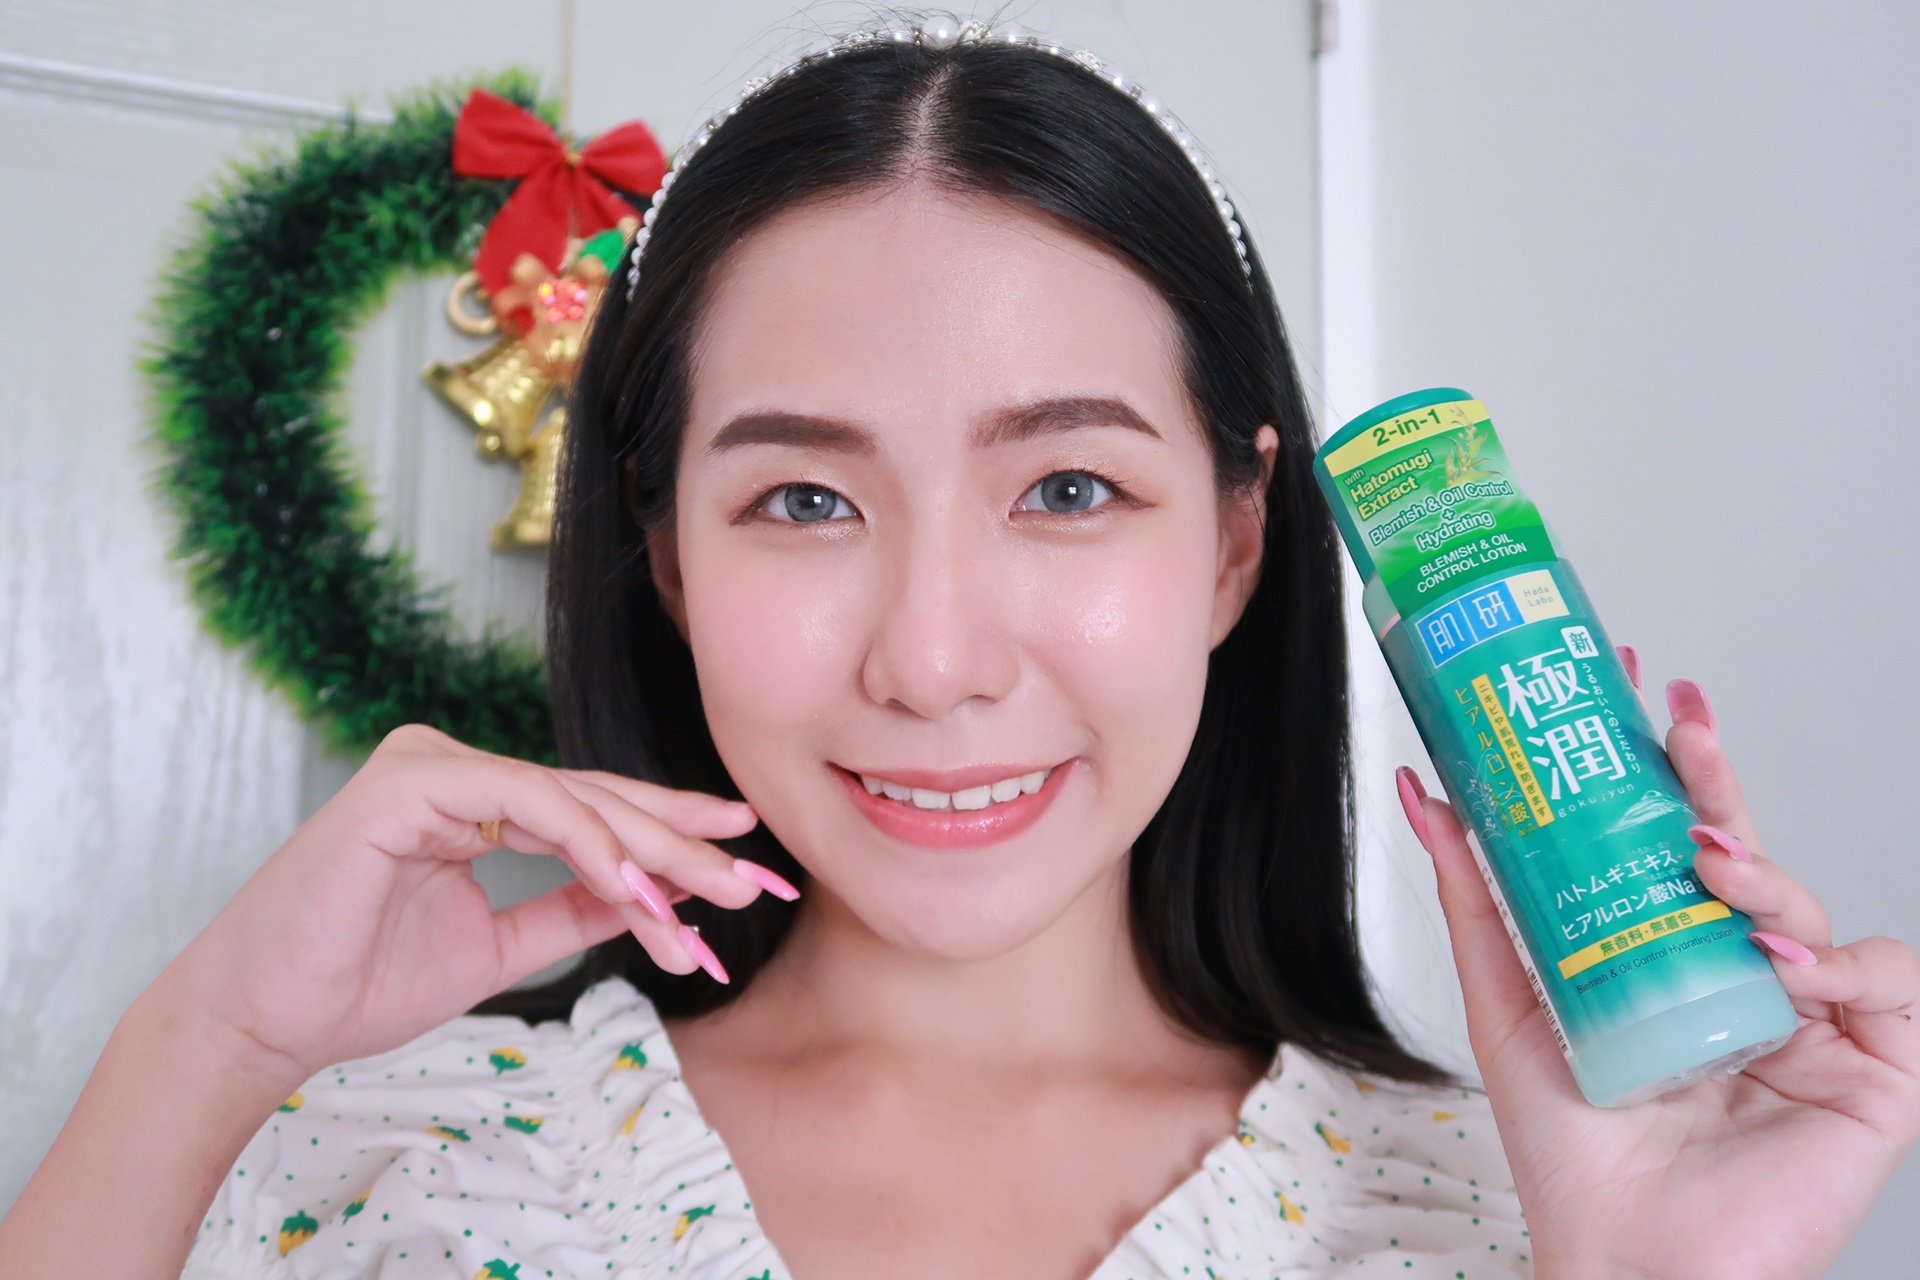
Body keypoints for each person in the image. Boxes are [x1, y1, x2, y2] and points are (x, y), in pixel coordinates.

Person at [4, 18, 1916, 1280]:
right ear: (663, 554)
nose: (931, 661)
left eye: (1068, 488)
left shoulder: (1512, 1222)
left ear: (1236, 540)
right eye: (802, 500)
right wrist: (206, 1047)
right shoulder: (370, 1171)